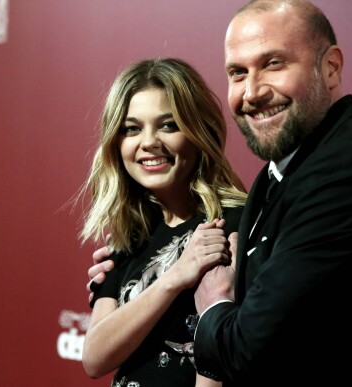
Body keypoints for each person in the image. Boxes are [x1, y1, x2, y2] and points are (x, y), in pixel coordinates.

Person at [87, 0, 352, 384]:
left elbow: (246, 349)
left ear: (331, 67)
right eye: (238, 72)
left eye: (274, 63)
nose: (252, 91)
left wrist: (212, 298)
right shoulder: (279, 175)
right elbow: (95, 358)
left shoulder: (346, 170)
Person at [79, 58, 247, 386]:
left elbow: (220, 366)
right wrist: (176, 276)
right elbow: (95, 358)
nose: (149, 142)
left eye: (168, 125)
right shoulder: (130, 235)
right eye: (132, 128)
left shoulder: (231, 226)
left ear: (200, 131)